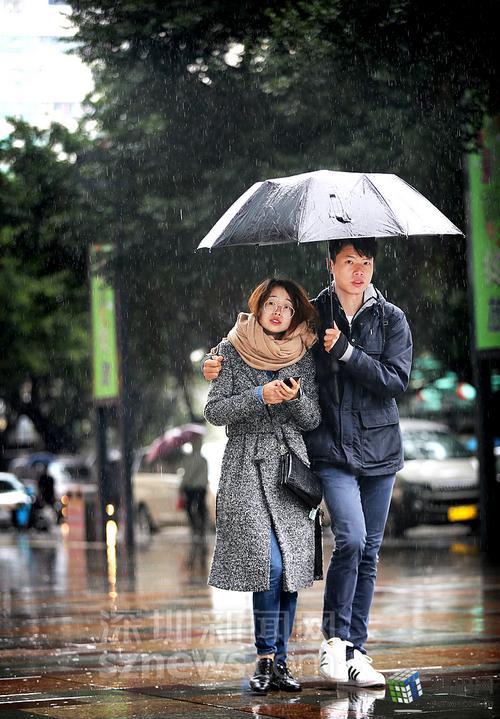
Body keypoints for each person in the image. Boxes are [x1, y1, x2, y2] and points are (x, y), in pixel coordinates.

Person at [203, 239, 412, 688]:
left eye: (366, 263)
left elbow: (396, 381)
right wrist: (223, 371)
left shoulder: (388, 318)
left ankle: (354, 649)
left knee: (363, 553)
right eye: (349, 261)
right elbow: (236, 374)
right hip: (321, 454)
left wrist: (347, 355)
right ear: (331, 265)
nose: (359, 271)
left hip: (376, 451)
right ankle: (326, 642)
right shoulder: (313, 318)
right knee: (344, 541)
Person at [204, 278, 321, 694]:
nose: (278, 312)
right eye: (271, 303)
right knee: (268, 566)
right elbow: (214, 410)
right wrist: (258, 395)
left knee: (289, 570)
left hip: (289, 470)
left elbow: (311, 419)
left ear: (295, 314)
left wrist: (292, 397)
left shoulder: (302, 353)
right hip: (245, 468)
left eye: (287, 307)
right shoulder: (232, 349)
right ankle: (264, 658)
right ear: (257, 308)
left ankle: (282, 663)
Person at [179, 435, 208, 540]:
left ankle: (195, 527)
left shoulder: (190, 459)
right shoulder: (204, 460)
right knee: (201, 507)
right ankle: (201, 528)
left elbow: (186, 475)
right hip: (201, 487)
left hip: (191, 487)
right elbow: (205, 476)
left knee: (189, 507)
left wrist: (182, 486)